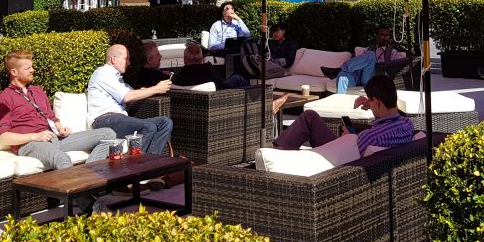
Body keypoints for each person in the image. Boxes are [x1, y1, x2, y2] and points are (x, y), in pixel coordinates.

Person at [0, 50, 116, 170]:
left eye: (32, 67)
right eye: (27, 68)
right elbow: (3, 138)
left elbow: (51, 117)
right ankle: (78, 188)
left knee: (108, 134)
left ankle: (89, 175)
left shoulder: (37, 91)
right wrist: (35, 137)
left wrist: (60, 128)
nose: (32, 70)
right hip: (30, 144)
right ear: (14, 72)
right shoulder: (3, 99)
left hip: (54, 138)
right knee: (62, 158)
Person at [273, 74, 415, 154]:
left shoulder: (369, 137)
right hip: (361, 156)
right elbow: (389, 114)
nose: (369, 104)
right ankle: (279, 150)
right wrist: (369, 104)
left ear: (377, 102)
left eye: (371, 101)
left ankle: (277, 154)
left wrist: (348, 138)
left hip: (340, 160)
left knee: (309, 117)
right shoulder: (407, 125)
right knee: (311, 117)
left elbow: (347, 153)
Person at [86, 44, 173, 155]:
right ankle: (137, 167)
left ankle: (151, 162)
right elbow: (127, 97)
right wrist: (156, 89)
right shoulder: (103, 73)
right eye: (126, 59)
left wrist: (151, 89)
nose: (129, 63)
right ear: (113, 59)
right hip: (103, 121)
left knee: (165, 123)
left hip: (119, 120)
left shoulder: (117, 78)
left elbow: (134, 92)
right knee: (149, 127)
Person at [321, 26, 409, 94]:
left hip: (371, 79)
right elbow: (359, 63)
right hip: (357, 76)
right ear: (377, 36)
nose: (385, 38)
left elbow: (401, 66)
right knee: (342, 76)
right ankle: (340, 105)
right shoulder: (368, 49)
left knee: (371, 55)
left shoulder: (393, 52)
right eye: (382, 35)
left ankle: (338, 70)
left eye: (387, 35)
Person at [176, 43, 250, 89]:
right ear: (202, 59)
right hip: (219, 101)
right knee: (237, 78)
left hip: (190, 108)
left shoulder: (179, 77)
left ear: (184, 60)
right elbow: (223, 87)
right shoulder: (208, 72)